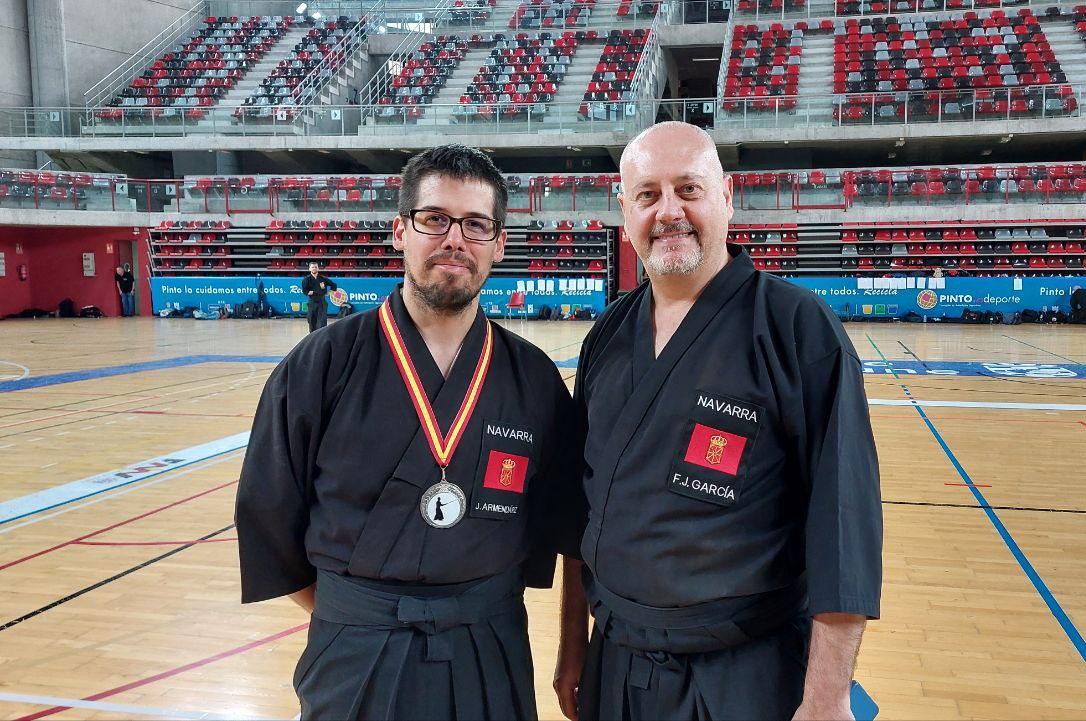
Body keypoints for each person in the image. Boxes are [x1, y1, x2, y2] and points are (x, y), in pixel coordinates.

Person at [236, 145, 585, 721]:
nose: (455, 239)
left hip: (489, 644)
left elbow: (567, 523)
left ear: (499, 242)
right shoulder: (322, 363)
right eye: (435, 219)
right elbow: (267, 512)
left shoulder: (534, 380)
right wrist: (355, 612)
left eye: (476, 224)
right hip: (356, 649)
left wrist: (571, 645)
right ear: (401, 230)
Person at [555, 122, 882, 721]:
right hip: (618, 666)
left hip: (745, 675)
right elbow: (584, 510)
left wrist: (828, 697)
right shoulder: (607, 334)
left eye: (688, 189)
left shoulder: (795, 328)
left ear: (727, 198)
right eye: (648, 195)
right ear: (623, 209)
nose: (669, 212)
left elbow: (844, 526)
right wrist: (573, 643)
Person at [302, 262, 338, 333]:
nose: (314, 268)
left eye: (315, 267)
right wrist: (308, 292)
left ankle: (321, 336)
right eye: (312, 267)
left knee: (322, 321)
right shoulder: (306, 279)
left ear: (318, 268)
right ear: (309, 269)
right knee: (311, 320)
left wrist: (330, 292)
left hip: (322, 302)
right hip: (312, 302)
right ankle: (312, 335)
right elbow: (304, 290)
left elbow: (334, 285)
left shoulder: (323, 278)